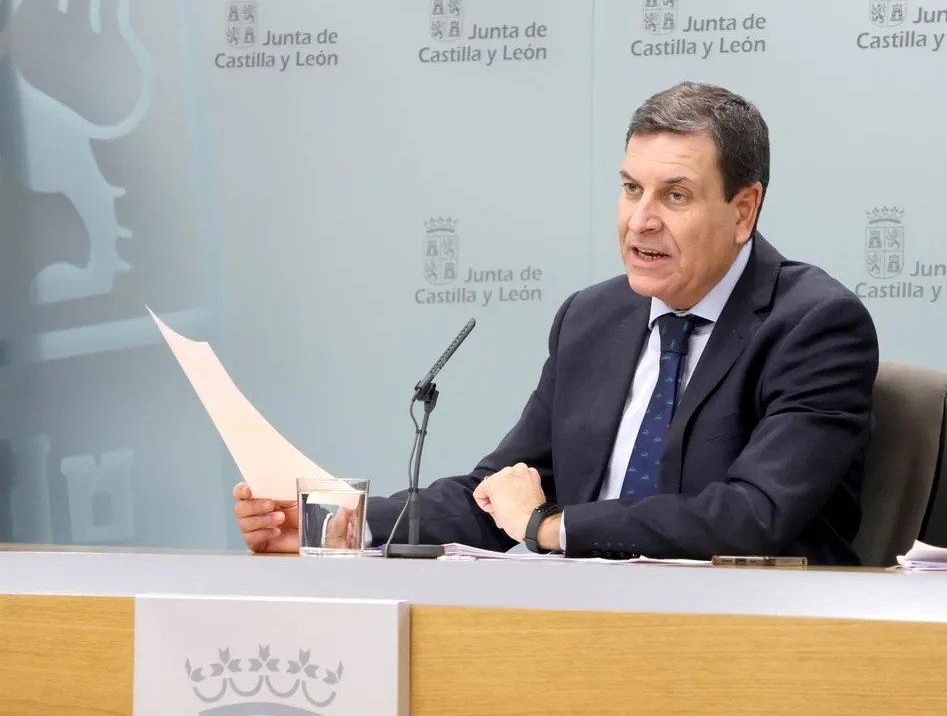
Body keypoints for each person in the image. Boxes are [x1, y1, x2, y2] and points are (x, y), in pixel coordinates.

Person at [234, 81, 880, 563]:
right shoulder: (593, 319)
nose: (641, 221)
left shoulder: (814, 325)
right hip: (586, 624)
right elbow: (498, 495)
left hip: (754, 640)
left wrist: (548, 527)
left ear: (743, 210)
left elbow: (752, 516)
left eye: (675, 196)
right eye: (631, 189)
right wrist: (339, 524)